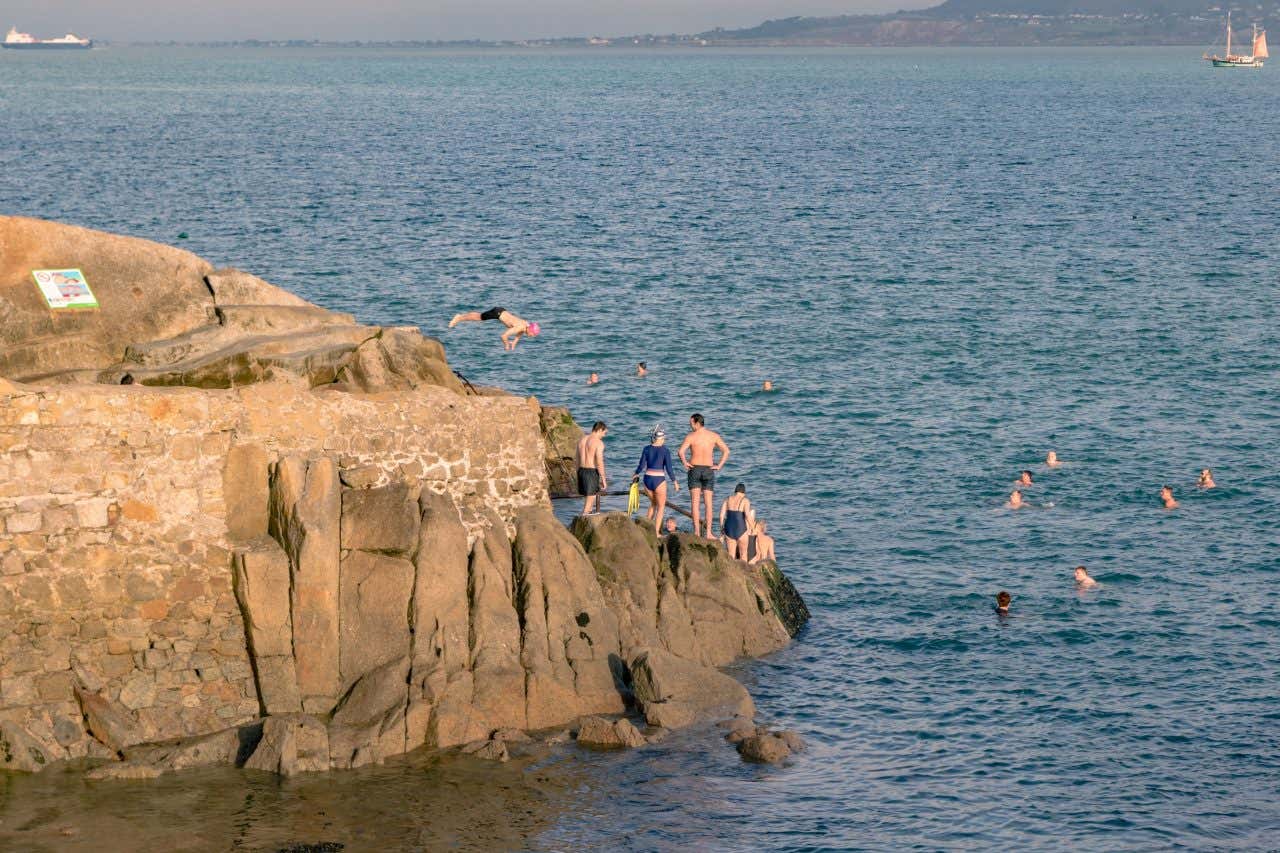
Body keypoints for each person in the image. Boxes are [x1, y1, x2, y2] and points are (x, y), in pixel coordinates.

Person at [678, 413, 731, 539]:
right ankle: (708, 533)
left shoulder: (691, 436)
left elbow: (680, 452)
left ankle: (696, 532)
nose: (690, 426)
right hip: (708, 469)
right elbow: (726, 451)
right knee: (708, 503)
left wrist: (685, 463)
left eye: (691, 423)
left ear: (697, 423)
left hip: (694, 469)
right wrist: (719, 465)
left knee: (695, 503)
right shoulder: (713, 436)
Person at [632, 426, 680, 534]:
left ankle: (644, 529)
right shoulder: (665, 450)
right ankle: (656, 533)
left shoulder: (646, 449)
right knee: (661, 507)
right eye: (664, 439)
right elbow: (669, 469)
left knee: (653, 503)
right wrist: (675, 482)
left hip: (647, 479)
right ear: (662, 438)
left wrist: (636, 473)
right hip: (659, 480)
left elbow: (641, 465)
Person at [448, 307, 541, 351]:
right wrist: (506, 345)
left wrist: (514, 343)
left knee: (479, 317)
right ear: (530, 329)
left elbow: (519, 334)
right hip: (497, 314)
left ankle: (459, 317)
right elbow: (503, 336)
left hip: (501, 311)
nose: (532, 336)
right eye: (533, 334)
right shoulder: (519, 328)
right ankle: (459, 318)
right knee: (478, 317)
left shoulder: (525, 325)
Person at [575, 422, 608, 515]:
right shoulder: (598, 443)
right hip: (591, 471)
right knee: (591, 496)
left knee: (589, 497)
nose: (604, 436)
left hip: (581, 470)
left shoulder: (581, 440)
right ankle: (585, 516)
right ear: (600, 430)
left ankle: (587, 513)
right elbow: (599, 462)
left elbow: (577, 459)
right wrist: (603, 479)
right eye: (604, 433)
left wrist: (578, 474)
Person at [719, 483, 753, 561]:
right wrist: (752, 527)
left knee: (731, 556)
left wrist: (721, 528)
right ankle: (743, 572)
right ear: (744, 493)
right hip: (741, 529)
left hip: (729, 528)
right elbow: (747, 515)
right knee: (743, 554)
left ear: (735, 491)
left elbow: (721, 515)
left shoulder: (727, 499)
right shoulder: (745, 500)